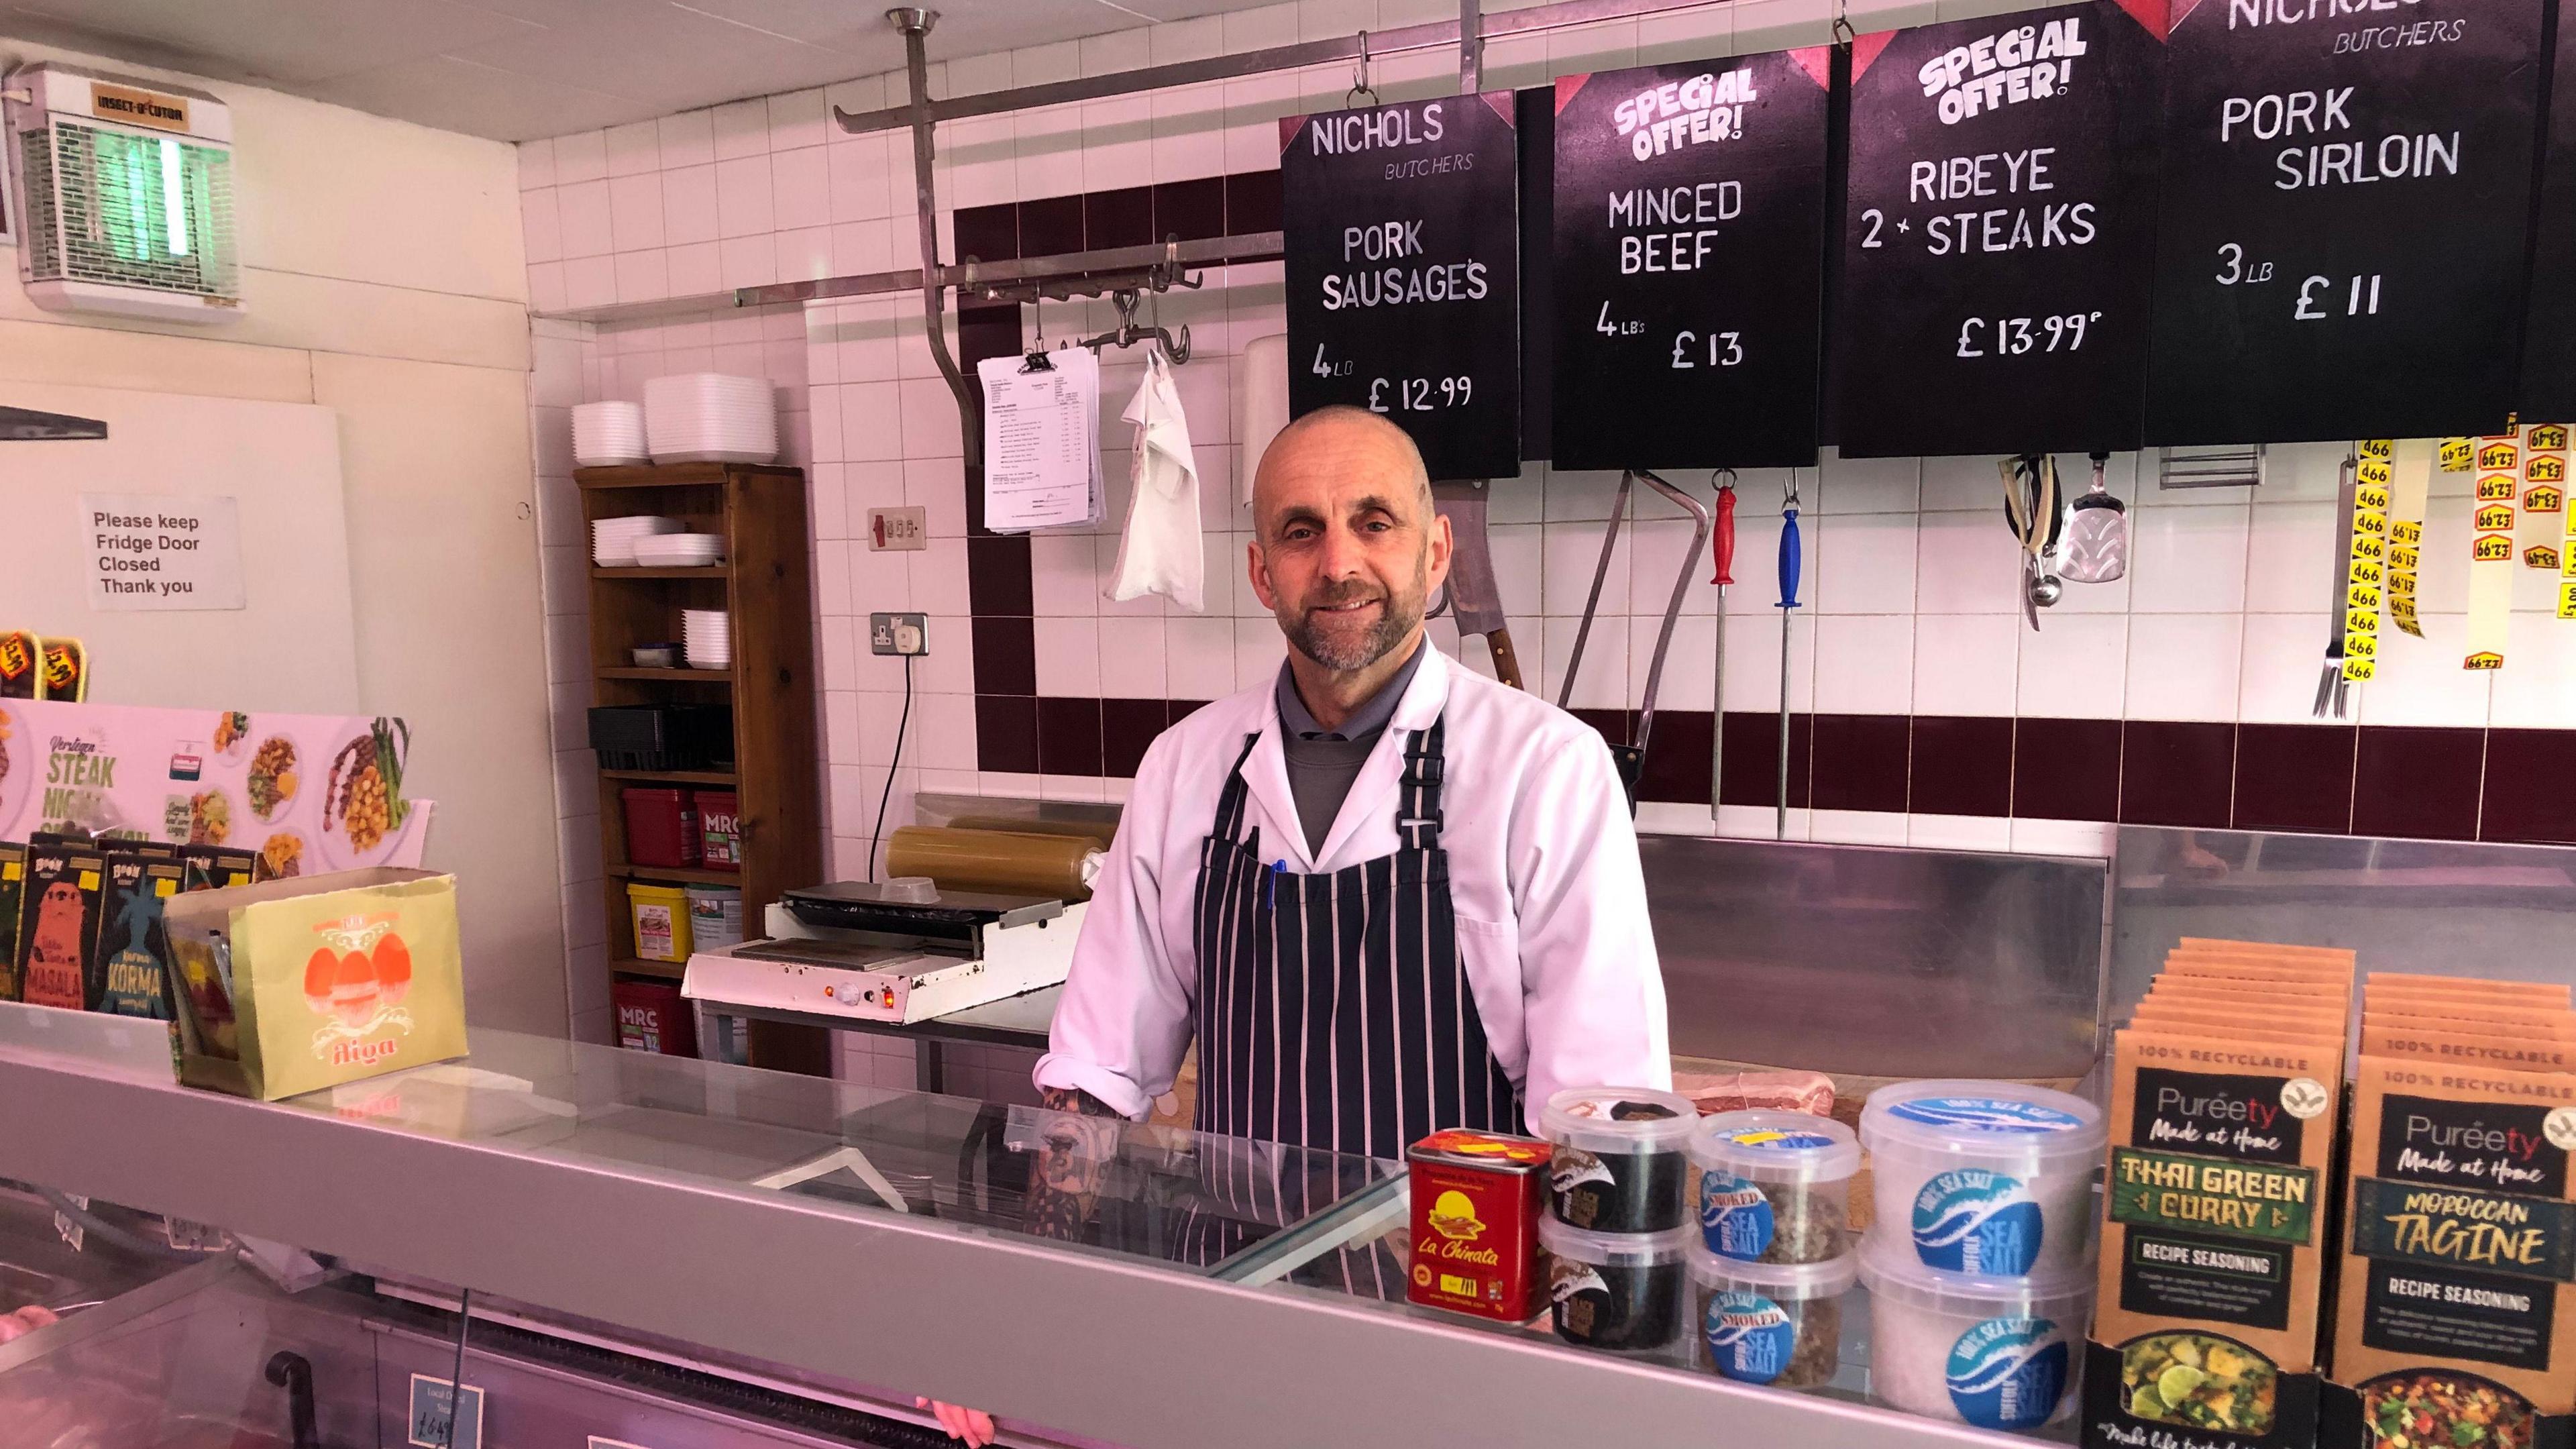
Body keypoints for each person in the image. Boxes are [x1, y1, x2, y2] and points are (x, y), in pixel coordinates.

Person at [921, 406, 1670, 1447]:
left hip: (1457, 1336)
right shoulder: (1187, 769)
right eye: (1302, 530)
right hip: (1228, 1314)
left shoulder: (1544, 771)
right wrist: (1017, 1315)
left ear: (1436, 550)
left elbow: (1600, 1124)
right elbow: (1093, 1080)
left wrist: (1570, 1382)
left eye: (1375, 522)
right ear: (1262, 572)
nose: (1341, 561)